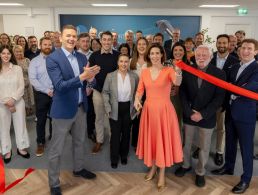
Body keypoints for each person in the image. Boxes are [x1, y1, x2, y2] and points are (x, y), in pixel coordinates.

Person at [46, 25, 100, 195]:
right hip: (62, 111)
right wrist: (82, 77)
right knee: (56, 149)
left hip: (81, 108)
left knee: (79, 142)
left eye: (73, 36)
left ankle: (79, 168)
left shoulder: (82, 58)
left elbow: (89, 83)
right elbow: (60, 86)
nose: (71, 39)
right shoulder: (53, 59)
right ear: (60, 38)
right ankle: (54, 183)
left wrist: (91, 80)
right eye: (68, 35)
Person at [175, 45, 226, 187]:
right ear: (194, 56)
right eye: (198, 55)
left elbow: (219, 98)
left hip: (207, 116)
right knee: (187, 143)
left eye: (205, 55)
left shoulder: (219, 74)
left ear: (211, 57)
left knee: (204, 146)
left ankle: (200, 172)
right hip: (189, 115)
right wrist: (189, 112)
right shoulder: (188, 71)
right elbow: (183, 94)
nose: (201, 57)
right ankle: (185, 165)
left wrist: (202, 114)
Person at [134, 44, 183, 191]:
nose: (155, 56)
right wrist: (137, 100)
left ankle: (162, 172)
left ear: (162, 55)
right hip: (149, 111)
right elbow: (140, 90)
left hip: (164, 112)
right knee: (153, 141)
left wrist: (178, 72)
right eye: (152, 53)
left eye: (157, 53)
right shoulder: (144, 72)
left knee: (162, 141)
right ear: (149, 56)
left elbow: (177, 82)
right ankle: (153, 167)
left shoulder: (169, 70)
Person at [212, 39, 258, 194]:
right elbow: (226, 86)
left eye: (249, 49)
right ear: (239, 50)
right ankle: (229, 167)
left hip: (246, 114)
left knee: (246, 148)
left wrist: (232, 89)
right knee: (230, 143)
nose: (245, 51)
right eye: (243, 48)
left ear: (255, 52)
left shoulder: (256, 68)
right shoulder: (234, 66)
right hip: (230, 111)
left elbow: (251, 86)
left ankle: (246, 179)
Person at [102, 54, 138, 168]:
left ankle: (123, 156)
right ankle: (114, 158)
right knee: (115, 135)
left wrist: (137, 108)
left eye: (126, 62)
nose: (124, 64)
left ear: (129, 63)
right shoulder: (110, 76)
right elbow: (105, 92)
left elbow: (138, 93)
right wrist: (107, 108)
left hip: (129, 108)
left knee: (127, 134)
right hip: (114, 109)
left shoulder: (134, 76)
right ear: (118, 62)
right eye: (121, 61)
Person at [210, 34, 239, 166]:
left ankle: (219, 152)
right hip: (208, 101)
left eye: (224, 43)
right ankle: (200, 147)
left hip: (224, 102)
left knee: (221, 129)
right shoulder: (210, 57)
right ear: (216, 44)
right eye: (219, 43)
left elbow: (233, 84)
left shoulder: (235, 61)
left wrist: (225, 103)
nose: (221, 45)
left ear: (228, 45)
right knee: (205, 127)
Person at [89, 31, 120, 154]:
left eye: (109, 40)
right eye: (104, 39)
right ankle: (99, 140)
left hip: (113, 93)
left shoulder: (117, 55)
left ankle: (114, 140)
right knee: (99, 118)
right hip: (97, 92)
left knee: (113, 118)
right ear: (100, 41)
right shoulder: (94, 56)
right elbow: (90, 75)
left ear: (112, 41)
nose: (107, 42)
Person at [0, 45, 30, 164]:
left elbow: (21, 87)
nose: (6, 55)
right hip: (2, 104)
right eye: (3, 53)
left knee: (20, 124)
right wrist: (6, 101)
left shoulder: (17, 68)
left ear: (11, 55)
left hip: (17, 102)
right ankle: (6, 150)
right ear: (0, 55)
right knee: (3, 127)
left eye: (8, 53)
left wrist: (13, 99)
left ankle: (21, 147)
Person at [29, 37, 53, 157]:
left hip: (56, 94)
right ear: (40, 45)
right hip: (42, 95)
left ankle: (53, 139)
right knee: (41, 120)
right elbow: (33, 79)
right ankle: (40, 142)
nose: (47, 46)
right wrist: (46, 90)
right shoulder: (34, 61)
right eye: (45, 44)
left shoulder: (56, 59)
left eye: (49, 44)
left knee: (55, 119)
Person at [130, 37, 148, 149]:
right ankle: (136, 142)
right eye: (139, 44)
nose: (141, 46)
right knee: (135, 119)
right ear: (136, 46)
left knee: (145, 119)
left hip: (148, 94)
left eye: (144, 44)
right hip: (134, 94)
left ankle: (145, 143)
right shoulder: (131, 60)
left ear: (147, 46)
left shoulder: (151, 61)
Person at [13, 45, 34, 116]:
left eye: (20, 51)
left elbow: (31, 72)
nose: (19, 53)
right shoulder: (12, 62)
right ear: (13, 52)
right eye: (17, 52)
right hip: (17, 85)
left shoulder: (27, 60)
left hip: (28, 83)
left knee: (28, 99)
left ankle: (29, 110)